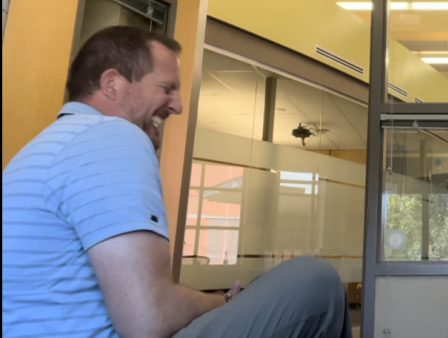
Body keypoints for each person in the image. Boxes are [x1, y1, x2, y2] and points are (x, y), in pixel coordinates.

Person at [2, 26, 352, 338]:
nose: (178, 105)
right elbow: (147, 319)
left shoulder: (42, 149)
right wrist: (223, 302)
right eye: (166, 88)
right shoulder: (112, 135)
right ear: (112, 83)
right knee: (316, 279)